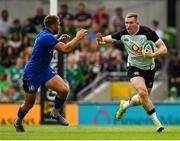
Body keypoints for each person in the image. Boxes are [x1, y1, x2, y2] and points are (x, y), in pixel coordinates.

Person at [14, 15, 87, 132]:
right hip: (32, 74)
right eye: (58, 24)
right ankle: (18, 122)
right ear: (52, 25)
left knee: (64, 89)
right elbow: (66, 49)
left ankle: (55, 113)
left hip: (45, 70)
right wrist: (78, 37)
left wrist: (57, 40)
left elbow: (44, 46)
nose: (59, 26)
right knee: (29, 104)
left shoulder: (45, 35)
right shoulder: (47, 37)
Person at [96, 12, 167, 132]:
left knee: (142, 98)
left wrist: (152, 55)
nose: (128, 25)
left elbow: (164, 49)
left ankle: (125, 105)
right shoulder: (123, 33)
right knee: (143, 93)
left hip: (149, 68)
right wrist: (100, 40)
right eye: (126, 23)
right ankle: (158, 124)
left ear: (137, 23)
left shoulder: (147, 32)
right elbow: (105, 40)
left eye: (131, 23)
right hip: (133, 67)